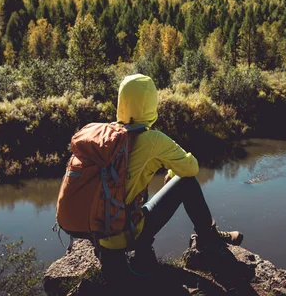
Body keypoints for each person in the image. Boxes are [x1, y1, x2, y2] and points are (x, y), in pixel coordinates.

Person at [98, 73, 243, 278]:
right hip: (127, 235)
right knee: (186, 182)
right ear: (150, 104)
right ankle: (208, 237)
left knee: (134, 191)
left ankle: (140, 250)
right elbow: (191, 168)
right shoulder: (152, 140)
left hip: (101, 237)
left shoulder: (105, 135)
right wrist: (172, 171)